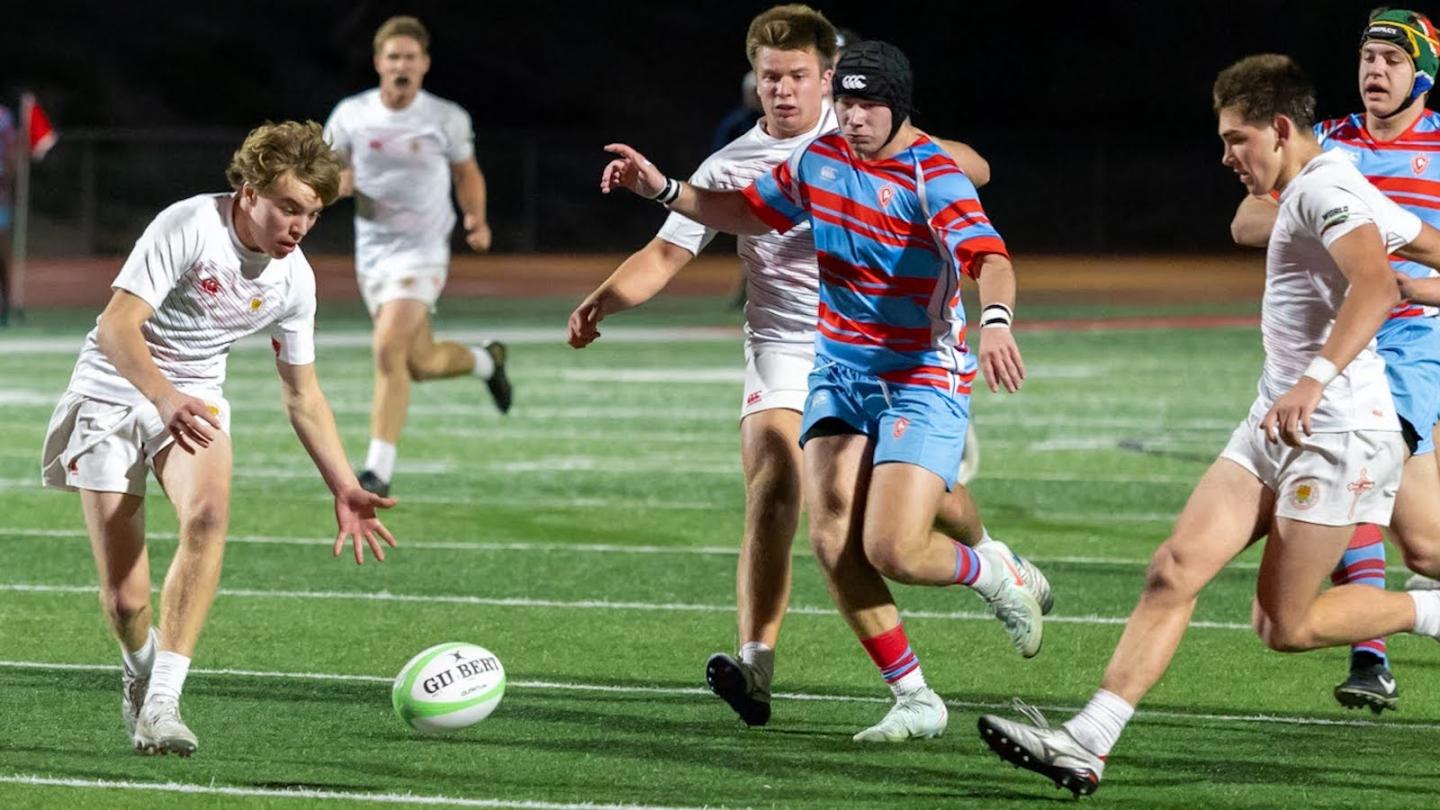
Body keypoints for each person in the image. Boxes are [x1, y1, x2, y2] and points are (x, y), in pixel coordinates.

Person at [978, 54, 1440, 797]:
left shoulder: (1326, 188)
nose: (1225, 156)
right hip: (1274, 418)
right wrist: (1423, 284)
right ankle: (1087, 740)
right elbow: (1417, 249)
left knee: (1283, 627)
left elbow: (1375, 284)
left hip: (1338, 430)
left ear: (1279, 129)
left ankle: (1426, 609)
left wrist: (1319, 377)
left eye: (1235, 139)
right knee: (1174, 567)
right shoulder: (1324, 180)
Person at [572, 6, 1038, 730]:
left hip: (916, 360)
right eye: (770, 78)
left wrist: (925, 164)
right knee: (799, 504)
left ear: (827, 78)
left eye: (799, 77)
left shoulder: (891, 149)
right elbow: (706, 231)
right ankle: (811, 673)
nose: (783, 91)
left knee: (906, 527)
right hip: (808, 354)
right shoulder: (780, 163)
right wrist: (627, 253)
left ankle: (990, 561)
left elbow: (975, 198)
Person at [39, 121, 397, 757]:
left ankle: (164, 705)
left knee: (208, 516)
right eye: (288, 207)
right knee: (126, 602)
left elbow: (302, 394)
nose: (299, 226)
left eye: (312, 214)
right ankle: (138, 671)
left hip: (195, 402)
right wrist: (164, 396)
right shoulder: (189, 226)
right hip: (114, 389)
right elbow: (117, 327)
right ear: (249, 190)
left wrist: (346, 483)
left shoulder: (295, 281)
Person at [1230, 8, 1440, 712]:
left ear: (1423, 74)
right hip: (1337, 340)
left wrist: (1407, 280)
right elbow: (1248, 219)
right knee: (1418, 540)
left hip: (1411, 344)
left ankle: (1372, 651)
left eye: (1392, 60)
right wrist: (1344, 207)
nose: (1374, 71)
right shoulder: (1333, 145)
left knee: (1419, 537)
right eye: (1367, 58)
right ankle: (1371, 655)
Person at [324, 15, 511, 498]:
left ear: (424, 64)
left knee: (387, 349)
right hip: (373, 253)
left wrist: (476, 219)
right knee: (419, 362)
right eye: (393, 57)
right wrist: (336, 186)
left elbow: (467, 173)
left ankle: (377, 469)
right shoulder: (350, 114)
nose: (402, 65)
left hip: (423, 251)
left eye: (410, 57)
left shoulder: (444, 116)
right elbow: (337, 172)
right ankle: (487, 362)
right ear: (378, 63)